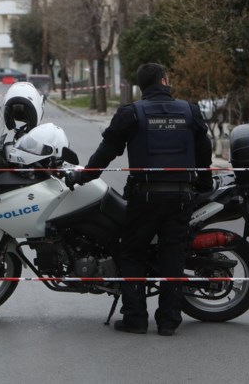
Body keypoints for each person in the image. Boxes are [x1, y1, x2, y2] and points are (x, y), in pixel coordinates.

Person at [65, 63, 212, 336]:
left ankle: (135, 318)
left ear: (142, 88)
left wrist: (82, 177)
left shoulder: (131, 113)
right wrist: (204, 184)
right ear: (165, 81)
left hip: (145, 197)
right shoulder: (190, 111)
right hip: (181, 196)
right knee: (173, 256)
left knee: (131, 252)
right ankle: (168, 321)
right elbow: (205, 150)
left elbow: (106, 152)